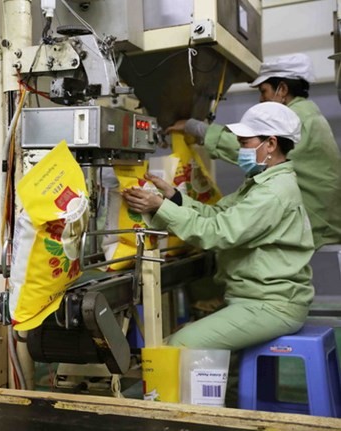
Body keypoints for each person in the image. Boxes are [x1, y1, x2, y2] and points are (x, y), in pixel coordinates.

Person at [122, 102, 314, 352]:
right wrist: (173, 198)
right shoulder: (260, 183)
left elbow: (217, 233)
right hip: (253, 298)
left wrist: (160, 207)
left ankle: (167, 392)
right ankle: (231, 393)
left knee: (179, 344)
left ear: (271, 144)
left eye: (245, 142)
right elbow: (219, 215)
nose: (240, 149)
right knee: (211, 349)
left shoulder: (273, 192)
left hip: (271, 304)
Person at [166, 53, 341, 250]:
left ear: (282, 89)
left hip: (318, 227)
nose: (261, 99)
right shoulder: (309, 114)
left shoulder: (297, 120)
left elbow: (219, 232)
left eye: (264, 91)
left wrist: (194, 127)